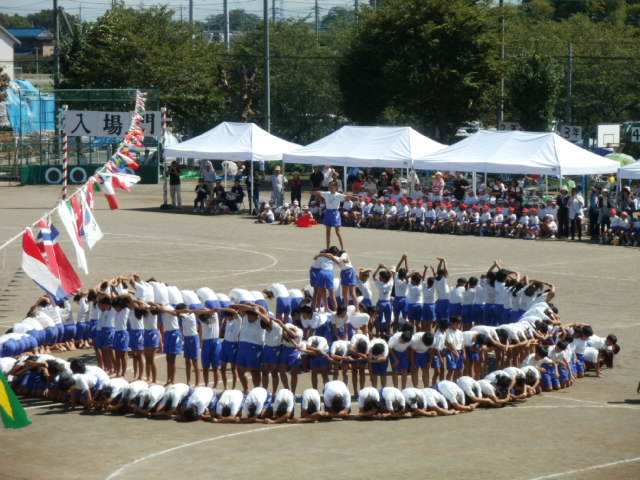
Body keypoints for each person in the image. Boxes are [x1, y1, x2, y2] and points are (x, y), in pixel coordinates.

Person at [311, 182, 357, 250]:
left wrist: (354, 197)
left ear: (336, 187)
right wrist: (310, 192)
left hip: (335, 213)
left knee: (337, 232)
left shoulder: (338, 195)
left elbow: (347, 196)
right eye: (329, 186)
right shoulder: (326, 193)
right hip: (328, 212)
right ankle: (327, 248)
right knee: (328, 232)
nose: (330, 187)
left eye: (331, 186)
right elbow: (317, 192)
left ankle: (342, 248)